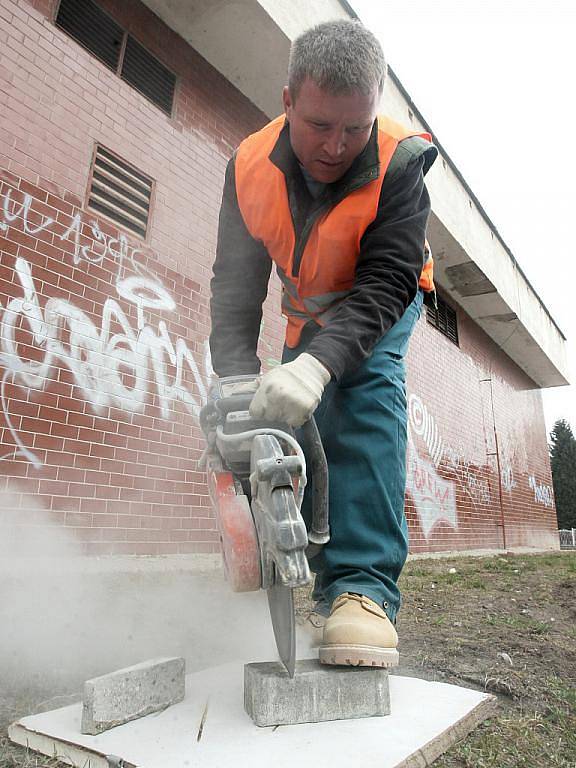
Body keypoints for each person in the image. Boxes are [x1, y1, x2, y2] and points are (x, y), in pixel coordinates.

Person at [209, 19, 437, 667]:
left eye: (354, 127)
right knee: (290, 435)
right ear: (287, 102)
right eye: (319, 125)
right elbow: (234, 289)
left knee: (364, 397)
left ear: (374, 111)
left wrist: (320, 366)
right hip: (307, 314)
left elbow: (390, 277)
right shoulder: (249, 167)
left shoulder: (400, 161)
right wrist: (235, 383)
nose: (337, 146)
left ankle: (363, 590)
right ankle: (308, 574)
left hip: (380, 302)